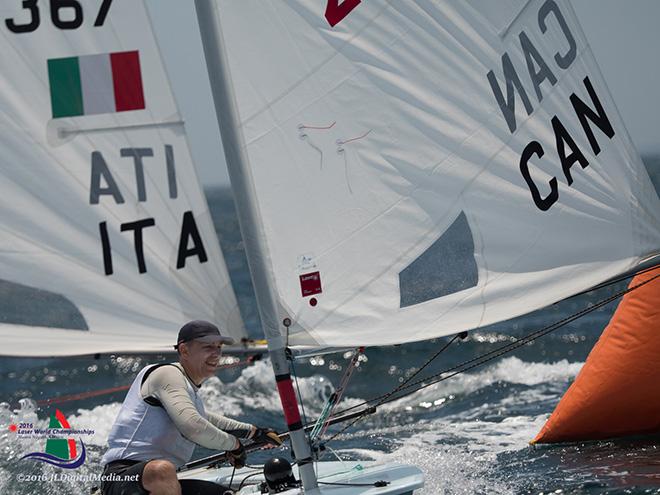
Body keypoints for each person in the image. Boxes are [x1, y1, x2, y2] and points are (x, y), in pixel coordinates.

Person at [100, 320, 280, 495]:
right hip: (123, 478)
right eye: (208, 347)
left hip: (163, 482)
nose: (217, 354)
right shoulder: (167, 373)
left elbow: (206, 418)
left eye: (219, 347)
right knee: (162, 470)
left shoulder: (187, 388)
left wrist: (254, 432)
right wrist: (234, 445)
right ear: (184, 350)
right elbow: (194, 427)